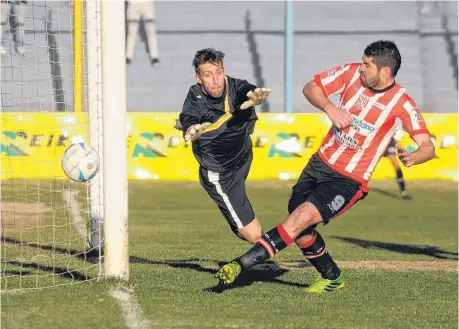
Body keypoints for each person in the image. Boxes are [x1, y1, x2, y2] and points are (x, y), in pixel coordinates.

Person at [215, 40, 435, 293]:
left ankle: (240, 265)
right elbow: (311, 88)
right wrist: (330, 108)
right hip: (318, 164)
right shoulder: (351, 73)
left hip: (349, 179)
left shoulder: (402, 103)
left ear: (384, 71)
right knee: (299, 226)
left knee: (301, 218)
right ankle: (332, 276)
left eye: (367, 65)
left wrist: (414, 157)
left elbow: (427, 146)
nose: (361, 69)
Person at [175, 48, 272, 244]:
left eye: (218, 73)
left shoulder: (233, 85)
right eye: (208, 75)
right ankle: (244, 227)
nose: (215, 80)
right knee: (254, 235)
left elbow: (246, 89)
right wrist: (190, 127)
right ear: (198, 78)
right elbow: (189, 116)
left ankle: (239, 220)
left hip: (243, 157)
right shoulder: (195, 96)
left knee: (250, 229)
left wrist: (254, 94)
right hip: (220, 173)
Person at [125, 0, 159, 66]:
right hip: (132, 4)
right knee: (131, 31)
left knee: (151, 30)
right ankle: (128, 56)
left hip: (147, 3)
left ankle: (154, 56)